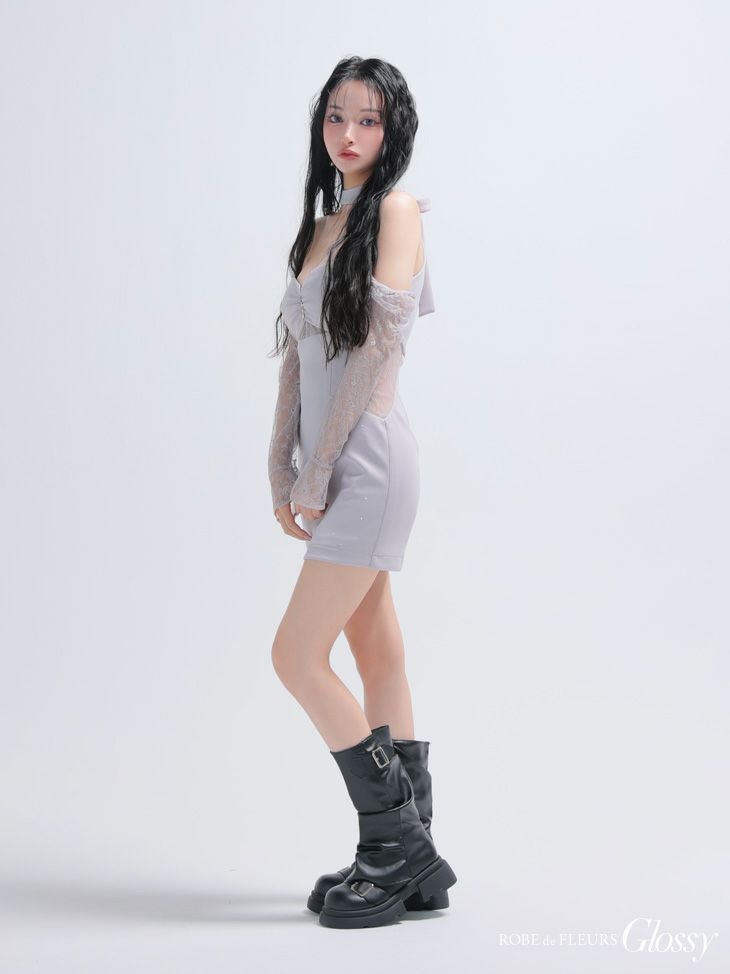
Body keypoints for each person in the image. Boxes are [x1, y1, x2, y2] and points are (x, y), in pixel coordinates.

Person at [266, 56, 456, 929]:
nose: (348, 134)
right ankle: (414, 866)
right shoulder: (320, 227)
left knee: (295, 656)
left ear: (394, 129)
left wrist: (319, 471)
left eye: (368, 119)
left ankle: (394, 846)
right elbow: (298, 359)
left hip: (371, 462)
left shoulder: (398, 211)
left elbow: (376, 353)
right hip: (333, 462)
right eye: (336, 116)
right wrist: (283, 464)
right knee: (377, 653)